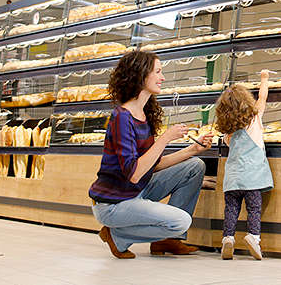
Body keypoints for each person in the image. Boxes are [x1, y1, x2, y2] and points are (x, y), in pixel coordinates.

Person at [89, 50, 213, 259]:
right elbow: (135, 173)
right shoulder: (121, 118)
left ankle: (166, 241)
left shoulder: (143, 115)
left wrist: (193, 149)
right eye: (157, 72)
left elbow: (152, 166)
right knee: (181, 221)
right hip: (114, 204)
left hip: (136, 192)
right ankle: (117, 235)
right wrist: (165, 138)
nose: (162, 78)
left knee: (195, 165)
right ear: (140, 74)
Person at [214, 70, 274, 260]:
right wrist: (264, 79)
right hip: (252, 179)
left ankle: (228, 238)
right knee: (254, 209)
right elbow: (263, 97)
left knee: (231, 209)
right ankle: (253, 237)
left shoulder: (228, 133)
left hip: (232, 179)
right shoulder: (254, 120)